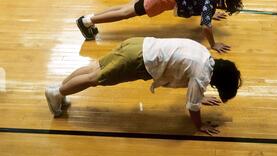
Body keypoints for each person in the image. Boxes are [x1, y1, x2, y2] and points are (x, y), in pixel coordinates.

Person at [45, 36, 241, 135]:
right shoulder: (201, 74)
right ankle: (57, 92)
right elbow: (192, 107)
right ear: (219, 81)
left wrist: (200, 95)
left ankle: (59, 90)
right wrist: (200, 126)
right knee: (94, 79)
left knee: (94, 67)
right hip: (139, 62)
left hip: (138, 44)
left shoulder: (204, 54)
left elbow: (193, 82)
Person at [75, 0, 243, 54]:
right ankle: (86, 22)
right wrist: (213, 45)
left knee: (125, 7)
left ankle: (90, 19)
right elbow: (205, 26)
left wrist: (210, 13)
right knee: (126, 13)